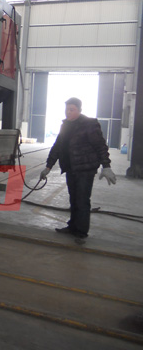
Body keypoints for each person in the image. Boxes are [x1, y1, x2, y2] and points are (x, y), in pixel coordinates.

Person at [39, 97, 116, 244]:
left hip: (85, 169)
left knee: (82, 200)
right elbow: (57, 147)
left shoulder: (89, 124)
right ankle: (72, 226)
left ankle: (81, 232)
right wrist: (48, 167)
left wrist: (106, 166)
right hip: (71, 168)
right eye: (67, 109)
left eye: (72, 109)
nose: (68, 112)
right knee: (73, 199)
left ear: (79, 110)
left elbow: (100, 146)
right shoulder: (65, 125)